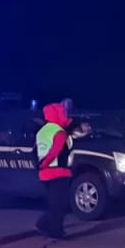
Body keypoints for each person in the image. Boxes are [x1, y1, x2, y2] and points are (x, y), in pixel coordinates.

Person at [34, 99, 75, 238]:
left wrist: (42, 165)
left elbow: (37, 151)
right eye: (64, 112)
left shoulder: (42, 131)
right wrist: (46, 162)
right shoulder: (59, 132)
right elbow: (55, 151)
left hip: (45, 173)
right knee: (60, 204)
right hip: (58, 171)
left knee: (54, 202)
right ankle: (55, 230)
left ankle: (46, 225)